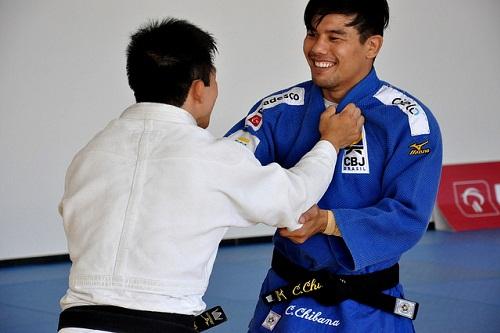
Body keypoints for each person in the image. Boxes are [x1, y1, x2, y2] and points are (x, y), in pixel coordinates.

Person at [56, 18, 364, 333]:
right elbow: (294, 198)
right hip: (164, 324)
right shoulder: (213, 158)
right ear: (198, 88)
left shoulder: (89, 154)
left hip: (75, 323)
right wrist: (331, 143)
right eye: (213, 82)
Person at [226, 0, 443, 332]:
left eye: (334, 37)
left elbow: (408, 216)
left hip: (370, 308)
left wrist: (326, 222)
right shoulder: (278, 111)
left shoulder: (407, 121)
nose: (317, 48)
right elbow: (228, 171)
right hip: (289, 302)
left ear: (372, 45)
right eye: (312, 34)